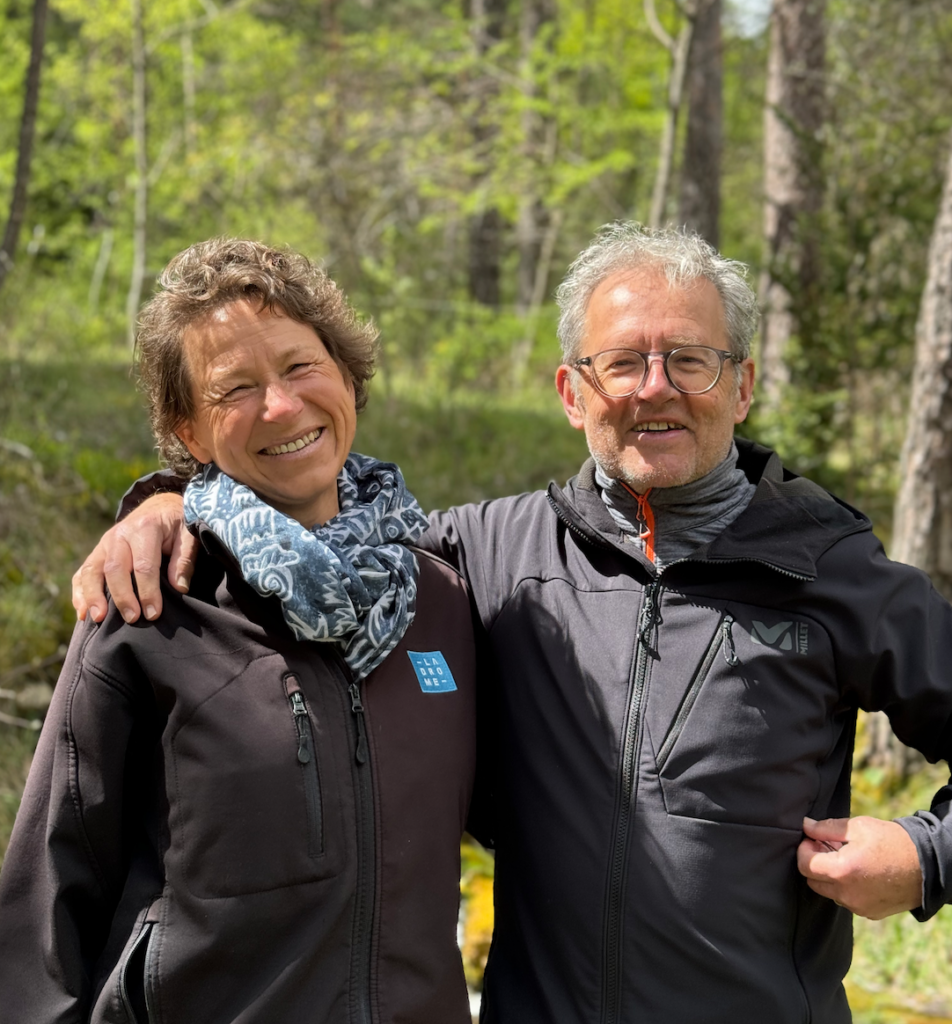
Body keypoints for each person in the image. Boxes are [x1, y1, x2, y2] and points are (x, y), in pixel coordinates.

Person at [72, 224, 952, 1024]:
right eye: (623, 363)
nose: (657, 390)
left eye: (692, 360)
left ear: (743, 385)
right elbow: (320, 534)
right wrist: (175, 500)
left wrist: (925, 857)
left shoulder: (831, 570)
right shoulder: (480, 555)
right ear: (573, 392)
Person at [0, 238, 478, 1024]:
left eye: (299, 367)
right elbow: (48, 897)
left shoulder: (443, 596)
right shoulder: (150, 606)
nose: (281, 406)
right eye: (235, 388)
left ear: (347, 374)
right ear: (188, 433)